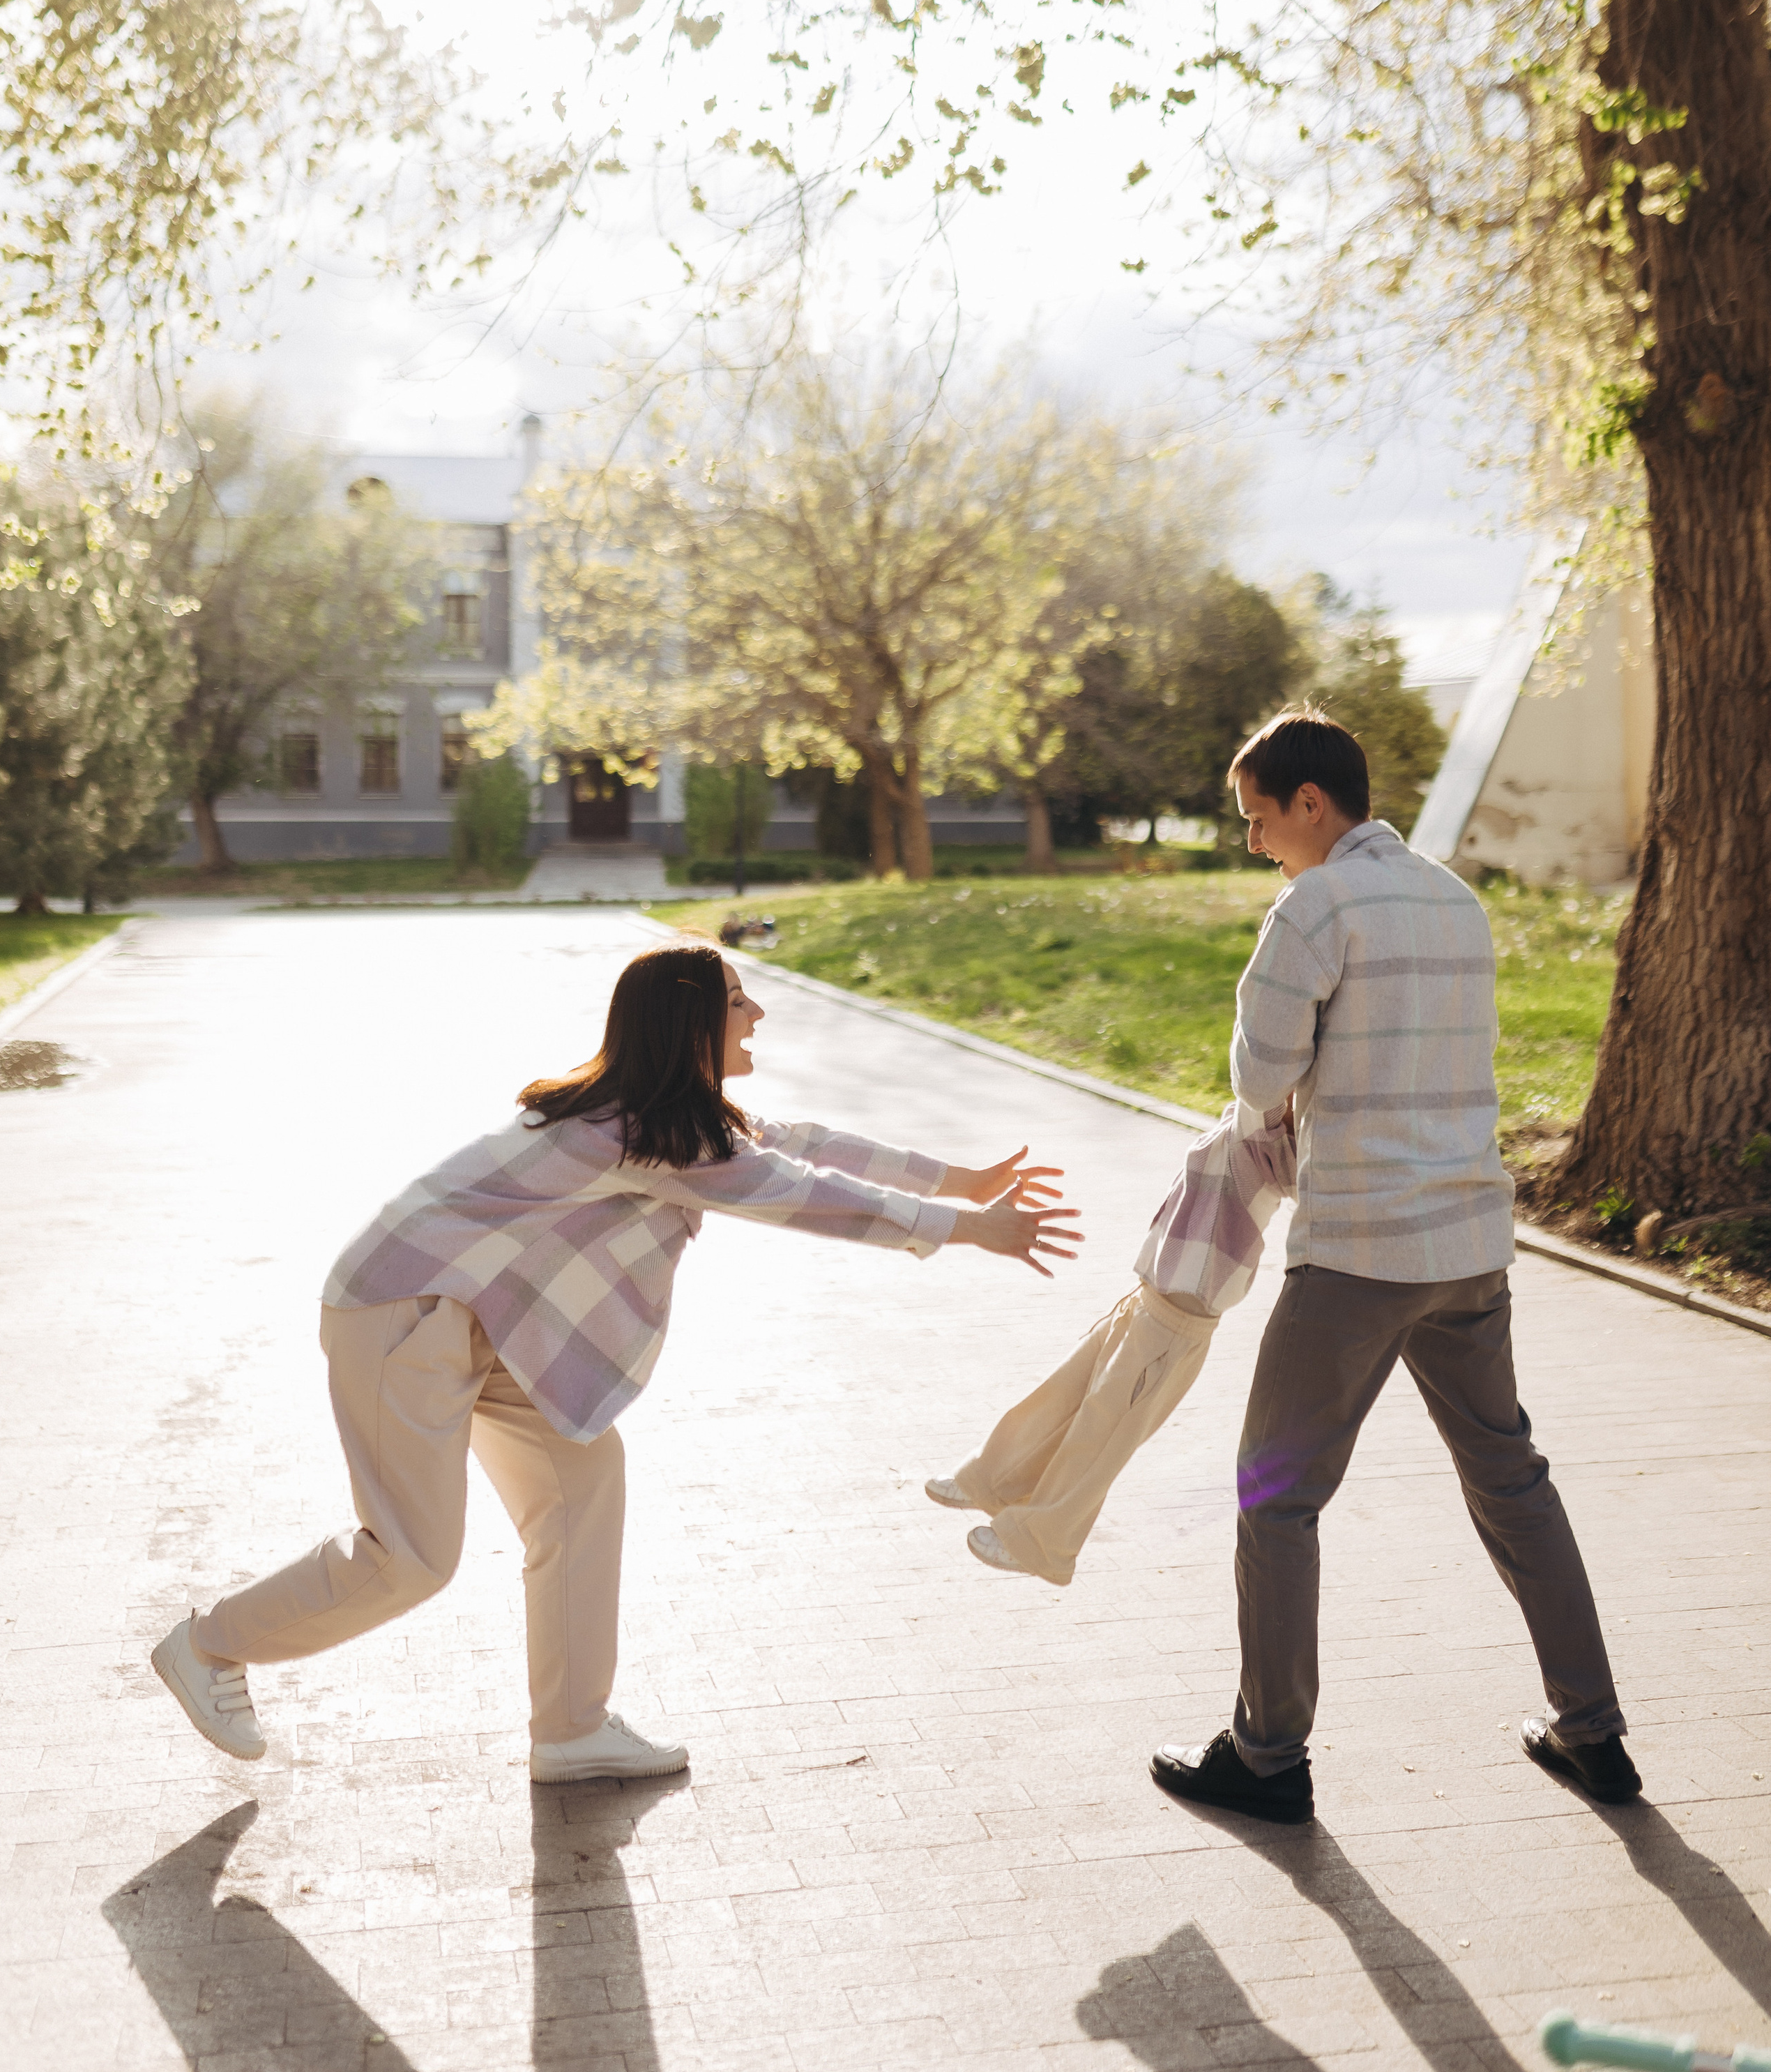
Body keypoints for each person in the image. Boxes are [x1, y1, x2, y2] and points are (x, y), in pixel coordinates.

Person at [151, 942, 1081, 1782]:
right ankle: (210, 1645)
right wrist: (974, 1230)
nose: (759, 1014)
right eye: (741, 1001)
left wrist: (960, 1180)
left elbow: (799, 1146)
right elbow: (809, 1198)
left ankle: (570, 1729)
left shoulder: (671, 1117)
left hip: (479, 1316)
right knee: (412, 1558)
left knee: (582, 1483)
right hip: (402, 1314)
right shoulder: (646, 1135)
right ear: (692, 1022)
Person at [1150, 709, 1639, 1829]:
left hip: (1359, 1254)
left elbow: (1262, 1074)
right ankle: (1595, 1734)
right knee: (1513, 1481)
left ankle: (1266, 1757)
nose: (1257, 842)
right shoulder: (1453, 898)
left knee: (1275, 1500)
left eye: (1260, 819)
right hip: (1468, 1246)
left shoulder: (1314, 904)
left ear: (1310, 804)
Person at [925, 1101, 1295, 1585]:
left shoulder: (1274, 1141)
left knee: (1102, 1433)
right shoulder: (1249, 1117)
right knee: (1062, 1396)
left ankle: (1042, 1541)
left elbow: (1261, 1071)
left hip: (1178, 1324)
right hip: (1150, 1296)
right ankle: (990, 1479)